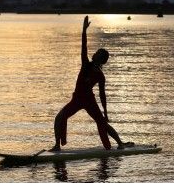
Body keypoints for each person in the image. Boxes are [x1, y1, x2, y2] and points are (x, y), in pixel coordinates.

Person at [49, 16, 133, 151]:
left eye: (97, 53)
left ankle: (120, 143)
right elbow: (84, 47)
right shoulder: (85, 65)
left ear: (101, 59)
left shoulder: (100, 75)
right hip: (76, 99)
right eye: (96, 52)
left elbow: (102, 94)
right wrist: (83, 31)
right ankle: (57, 146)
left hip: (89, 101)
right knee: (59, 118)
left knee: (102, 123)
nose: (94, 54)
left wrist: (105, 112)